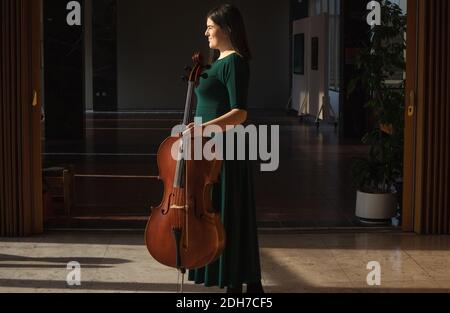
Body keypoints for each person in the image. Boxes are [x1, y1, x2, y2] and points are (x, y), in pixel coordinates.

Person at [184, 4, 264, 294]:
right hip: (209, 149)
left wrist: (202, 129)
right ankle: (238, 278)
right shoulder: (217, 63)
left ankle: (237, 282)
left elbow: (240, 113)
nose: (205, 32)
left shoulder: (235, 63)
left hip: (225, 150)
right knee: (216, 210)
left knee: (226, 213)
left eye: (210, 26)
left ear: (227, 28)